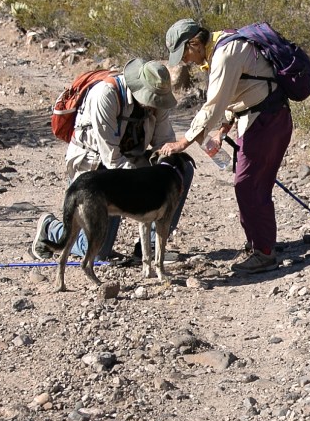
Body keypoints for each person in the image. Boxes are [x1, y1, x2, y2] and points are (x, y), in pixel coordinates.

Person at [160, 17, 287, 274]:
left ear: (194, 42)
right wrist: (224, 128)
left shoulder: (226, 54)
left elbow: (214, 103)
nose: (185, 61)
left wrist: (184, 142)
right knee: (252, 184)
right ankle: (258, 245)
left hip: (266, 121)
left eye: (183, 53)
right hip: (260, 119)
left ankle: (264, 253)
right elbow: (240, 91)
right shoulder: (222, 46)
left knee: (248, 185)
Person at [64, 58, 174, 263]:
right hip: (98, 167)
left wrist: (165, 167)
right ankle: (51, 230)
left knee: (179, 170)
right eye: (151, 99)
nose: (155, 106)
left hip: (131, 163)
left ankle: (151, 245)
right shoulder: (106, 95)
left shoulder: (158, 102)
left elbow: (165, 142)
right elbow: (111, 158)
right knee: (97, 251)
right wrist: (144, 186)